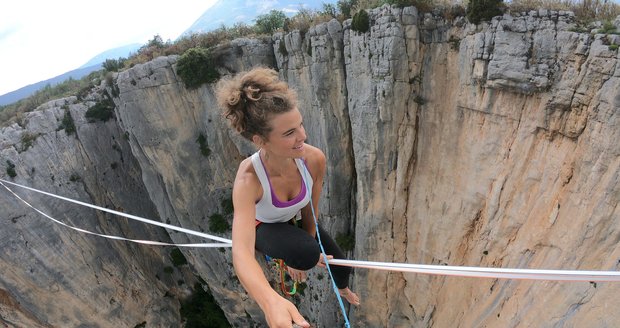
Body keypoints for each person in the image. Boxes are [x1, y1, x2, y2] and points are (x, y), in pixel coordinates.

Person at [215, 67, 360, 328]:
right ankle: (277, 254)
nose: (302, 136)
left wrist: (304, 243)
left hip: (290, 220)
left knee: (339, 262)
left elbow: (310, 214)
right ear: (261, 141)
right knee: (305, 253)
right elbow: (242, 254)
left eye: (300, 125)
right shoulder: (249, 180)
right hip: (264, 227)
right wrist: (270, 301)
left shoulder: (313, 159)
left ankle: (342, 289)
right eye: (288, 133)